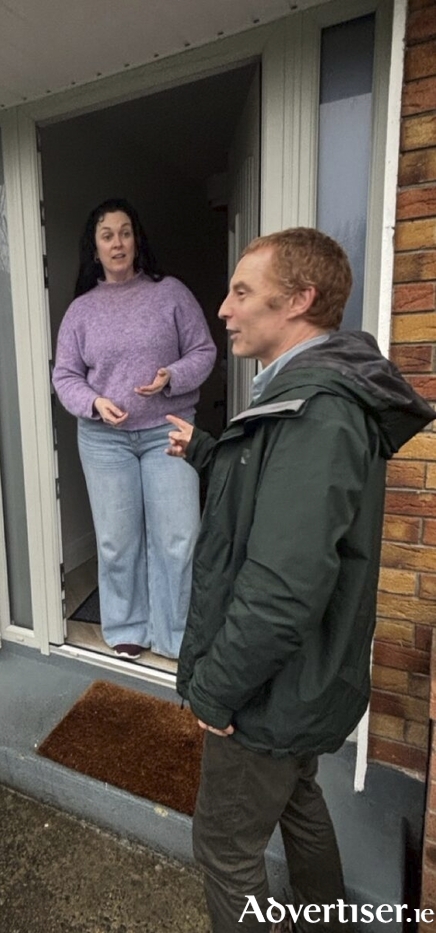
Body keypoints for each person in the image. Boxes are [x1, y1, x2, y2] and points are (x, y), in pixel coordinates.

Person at [167, 228, 435, 931]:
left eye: (243, 291)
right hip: (298, 682)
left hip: (269, 686)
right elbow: (271, 497)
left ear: (300, 300)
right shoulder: (299, 396)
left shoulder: (319, 410)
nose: (225, 307)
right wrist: (203, 450)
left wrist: (216, 685)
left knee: (225, 845)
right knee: (296, 797)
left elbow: (284, 584)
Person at [52, 198, 216, 660]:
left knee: (179, 537)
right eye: (108, 235)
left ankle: (176, 634)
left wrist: (172, 376)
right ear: (96, 246)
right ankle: (126, 625)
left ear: (136, 239)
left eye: (125, 232)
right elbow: (65, 376)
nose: (118, 242)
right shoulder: (81, 310)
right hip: (105, 441)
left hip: (168, 432)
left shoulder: (171, 293)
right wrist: (94, 402)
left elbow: (204, 352)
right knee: (117, 539)